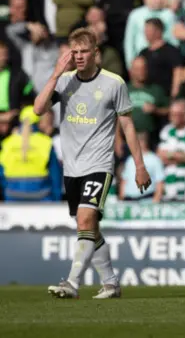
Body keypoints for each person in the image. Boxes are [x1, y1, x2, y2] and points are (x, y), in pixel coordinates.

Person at [33, 28, 152, 299]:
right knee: (87, 227)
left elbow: (128, 126)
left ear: (96, 53)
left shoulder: (114, 83)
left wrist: (140, 165)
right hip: (71, 167)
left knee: (86, 218)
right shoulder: (63, 82)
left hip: (99, 164)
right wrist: (55, 74)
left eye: (84, 51)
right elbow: (38, 109)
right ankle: (111, 283)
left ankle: (72, 284)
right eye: (74, 52)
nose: (78, 57)